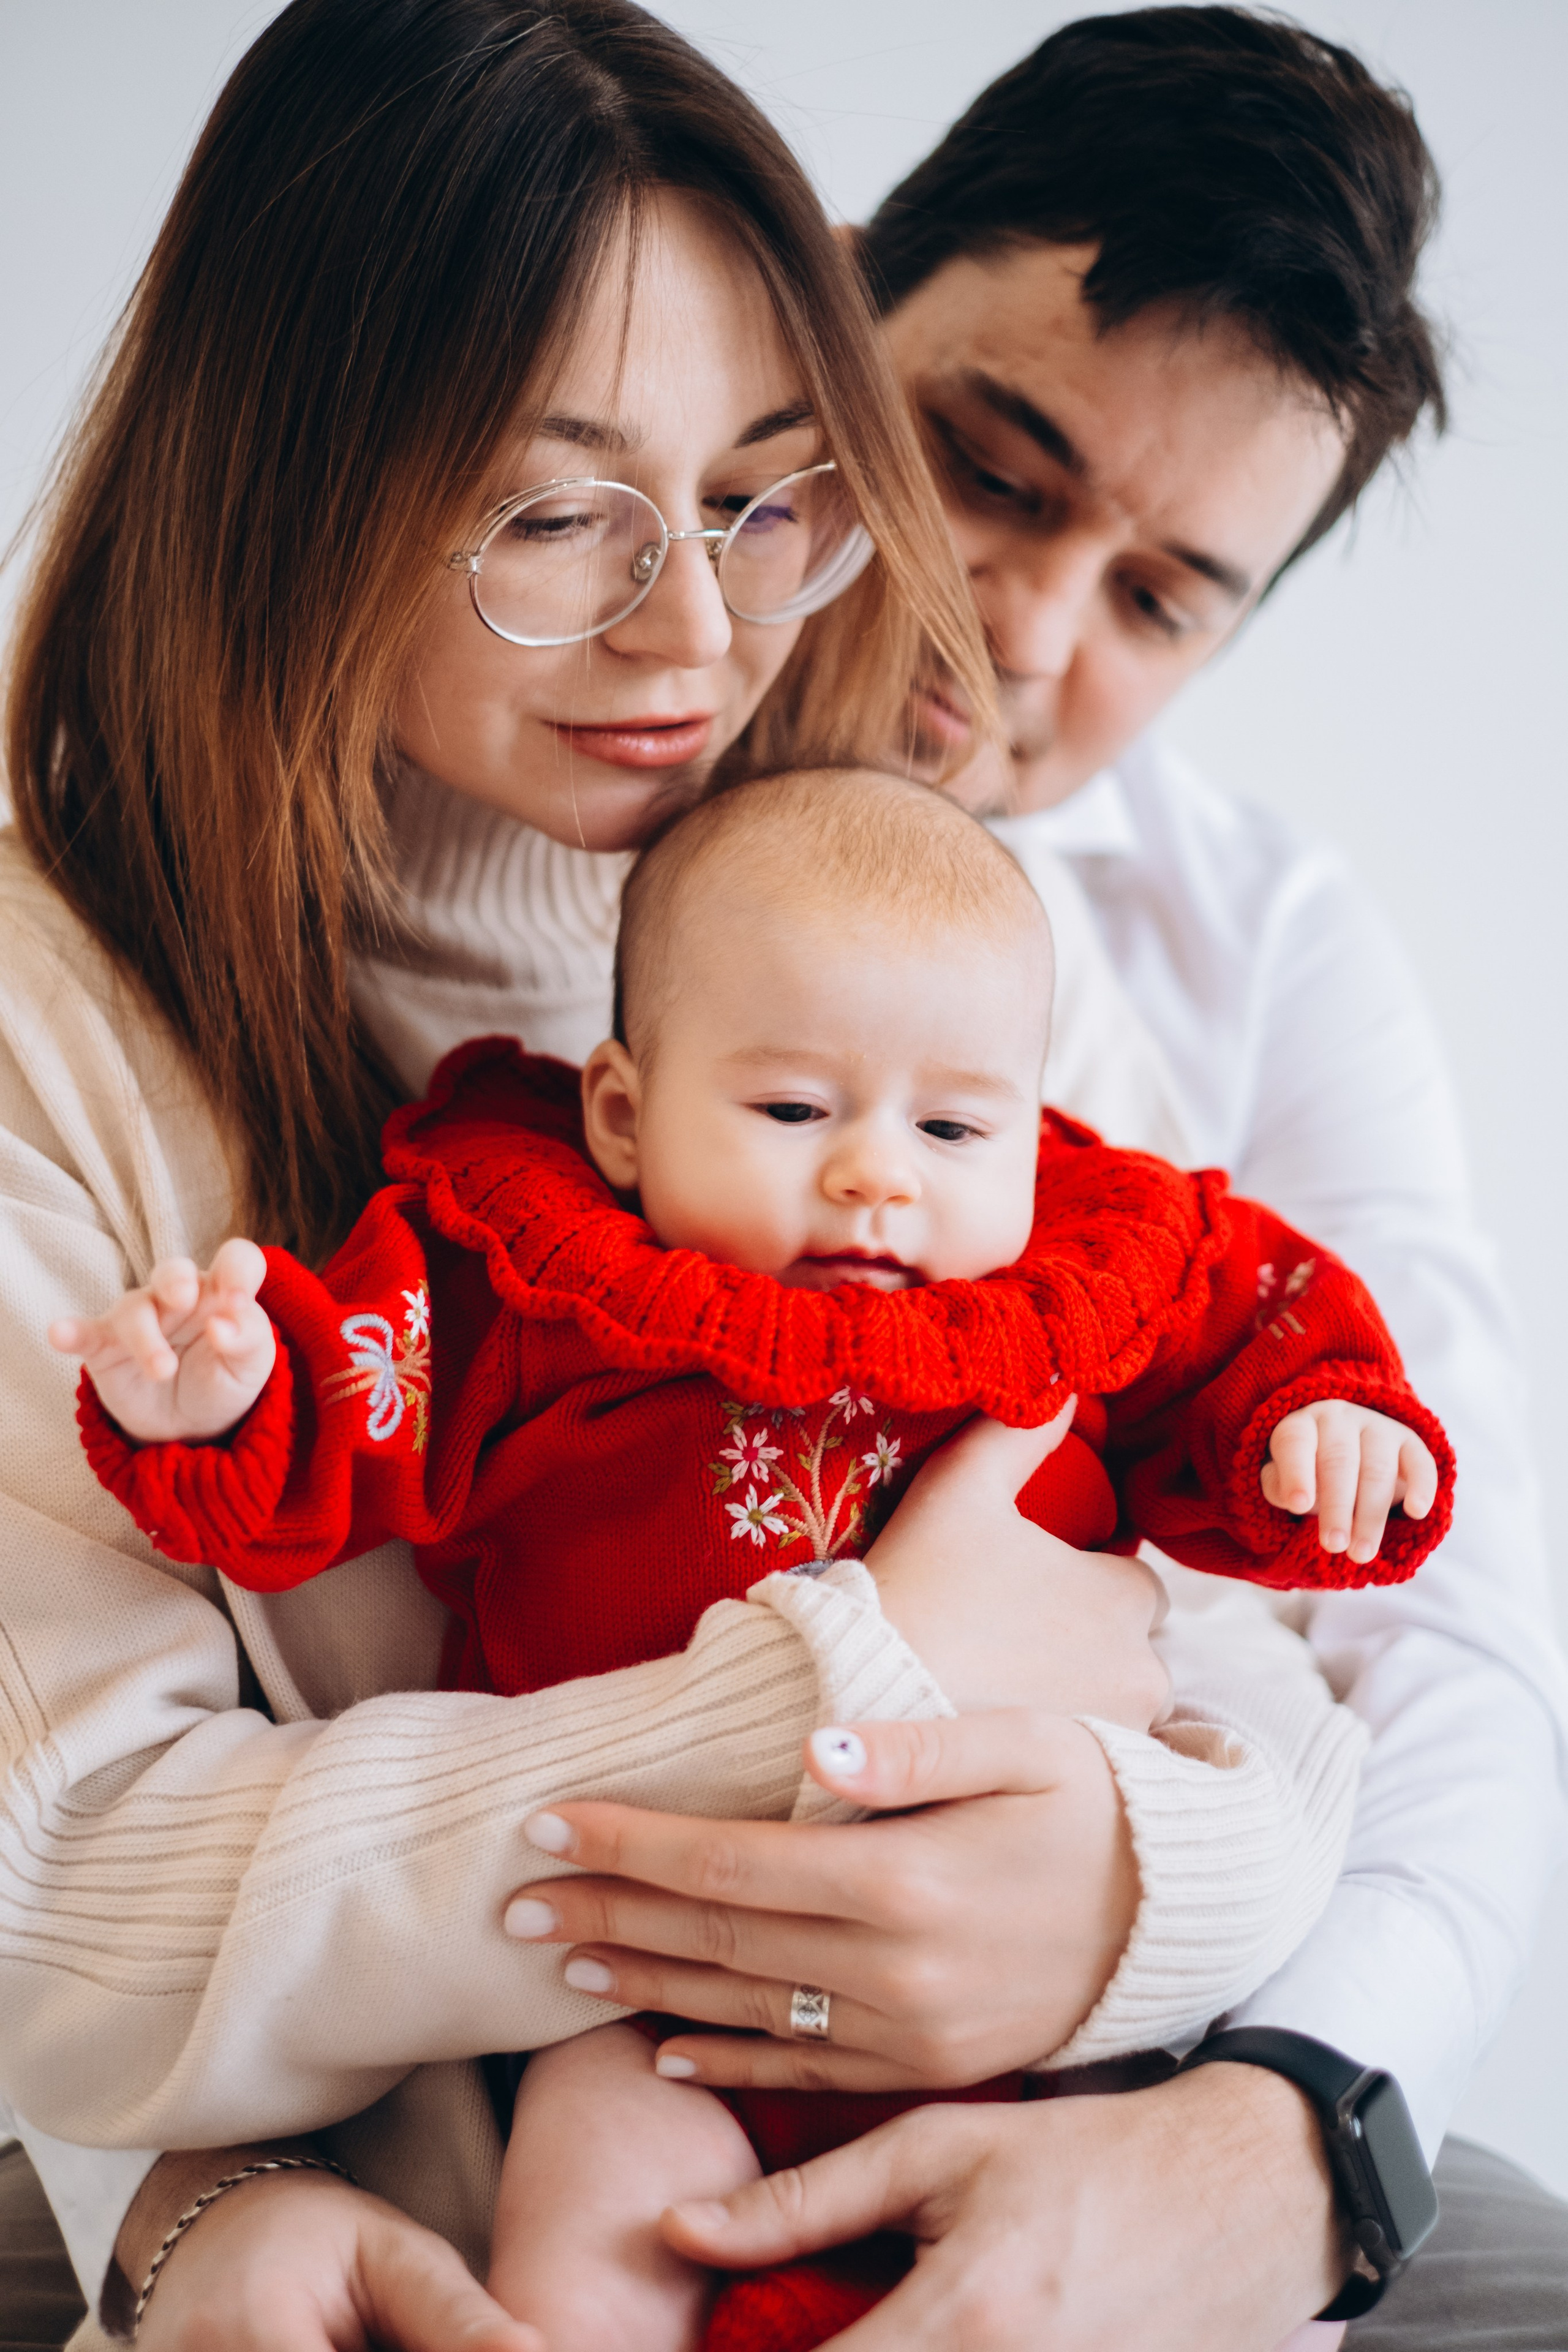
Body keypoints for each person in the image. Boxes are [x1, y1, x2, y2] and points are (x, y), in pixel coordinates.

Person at [0, 5, 1373, 2349]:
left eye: (769, 490)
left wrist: (1148, 1882)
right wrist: (843, 1697)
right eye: (557, 516)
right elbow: (58, 1901)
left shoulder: (925, 929)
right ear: (287, 477)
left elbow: (1290, 1693)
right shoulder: (58, 1023)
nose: (706, 629)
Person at [500, 11, 1568, 2349]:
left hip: (1130, 2039)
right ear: (837, 301)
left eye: (1169, 594)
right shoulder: (518, 802)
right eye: (990, 464)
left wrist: (1294, 2125)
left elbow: (1455, 1611)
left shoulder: (1256, 944)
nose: (1029, 637)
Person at [60, 765, 1447, 2349]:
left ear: (1032, 1125)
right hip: (654, 2007)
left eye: (953, 1124)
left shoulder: (1086, 1271)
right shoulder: (533, 1282)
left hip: (1031, 1968)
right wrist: (228, 1398)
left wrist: (1324, 1419)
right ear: (624, 1114)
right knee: (591, 2232)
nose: (879, 1170)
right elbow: (364, 1396)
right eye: (794, 1109)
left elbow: (1249, 1325)